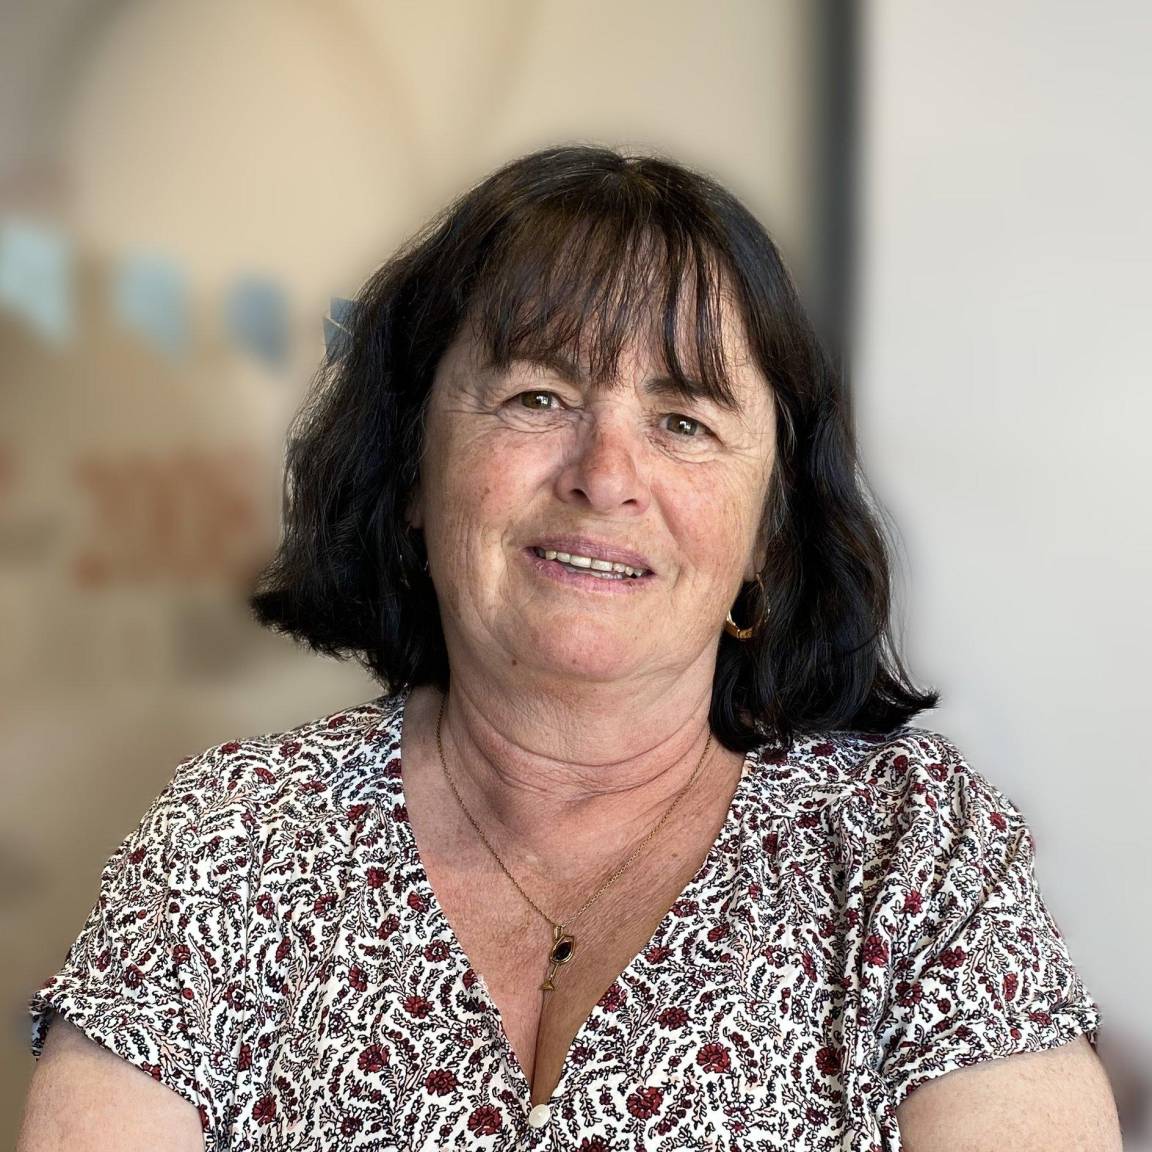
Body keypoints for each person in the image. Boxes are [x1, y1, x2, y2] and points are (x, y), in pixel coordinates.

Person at [17, 145, 1120, 1151]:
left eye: (684, 422)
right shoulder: (229, 843)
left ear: (768, 536)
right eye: (539, 397)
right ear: (412, 474)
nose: (604, 475)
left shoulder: (911, 857)